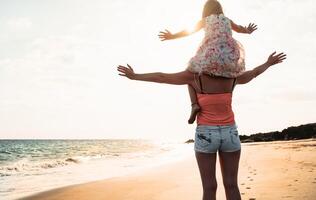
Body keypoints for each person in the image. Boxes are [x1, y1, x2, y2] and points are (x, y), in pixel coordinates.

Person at [117, 52, 286, 200]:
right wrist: (268, 63)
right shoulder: (233, 77)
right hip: (230, 133)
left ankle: (194, 106)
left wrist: (135, 76)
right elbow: (255, 73)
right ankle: (194, 106)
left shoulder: (194, 77)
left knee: (209, 187)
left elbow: (162, 77)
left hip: (206, 133)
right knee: (232, 185)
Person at [158, 0, 257, 124]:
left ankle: (194, 104)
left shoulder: (205, 20)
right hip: (230, 56)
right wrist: (248, 30)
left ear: (206, 10)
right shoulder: (227, 20)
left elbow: (188, 31)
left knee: (191, 73)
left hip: (213, 53)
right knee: (214, 73)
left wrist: (172, 36)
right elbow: (240, 29)